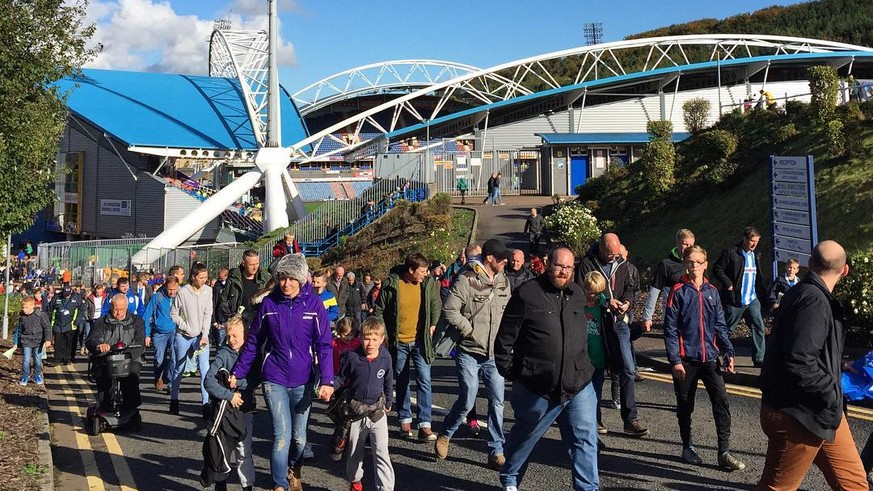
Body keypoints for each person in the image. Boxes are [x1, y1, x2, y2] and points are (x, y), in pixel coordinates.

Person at [756, 240, 868, 490]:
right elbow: (799, 360)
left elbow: (808, 350)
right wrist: (830, 390)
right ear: (846, 270)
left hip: (821, 412)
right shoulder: (813, 301)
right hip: (799, 413)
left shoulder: (803, 293)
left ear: (809, 264)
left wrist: (839, 365)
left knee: (854, 484)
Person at [495, 247, 598, 491]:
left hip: (578, 383)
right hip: (537, 387)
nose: (563, 271)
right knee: (526, 436)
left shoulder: (577, 294)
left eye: (569, 267)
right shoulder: (528, 293)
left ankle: (588, 488)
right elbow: (505, 338)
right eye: (559, 266)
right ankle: (510, 479)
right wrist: (514, 373)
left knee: (585, 439)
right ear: (547, 264)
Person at [229, 253, 334, 491]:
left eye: (291, 279)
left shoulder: (314, 305)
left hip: (303, 379)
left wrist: (327, 380)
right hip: (274, 378)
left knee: (299, 439)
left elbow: (324, 345)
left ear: (301, 279)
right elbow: (254, 341)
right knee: (281, 437)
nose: (286, 284)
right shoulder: (269, 304)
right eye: (282, 278)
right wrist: (239, 372)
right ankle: (279, 484)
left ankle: (293, 468)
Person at [664, 245, 745, 470]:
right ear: (685, 264)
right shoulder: (678, 290)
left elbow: (720, 324)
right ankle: (687, 446)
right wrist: (675, 361)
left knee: (721, 402)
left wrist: (728, 351)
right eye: (690, 262)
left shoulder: (711, 291)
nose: (694, 267)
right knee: (684, 405)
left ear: (706, 264)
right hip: (686, 359)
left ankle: (724, 452)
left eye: (698, 262)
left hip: (709, 357)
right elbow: (670, 329)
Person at [435, 239, 512, 469]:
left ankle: (496, 449)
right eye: (501, 258)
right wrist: (468, 331)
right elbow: (449, 309)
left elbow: (507, 311)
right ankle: (446, 433)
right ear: (489, 258)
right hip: (469, 351)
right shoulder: (466, 279)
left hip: (493, 354)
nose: (505, 261)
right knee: (468, 399)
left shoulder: (503, 281)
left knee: (497, 401)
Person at [576, 233, 648, 437]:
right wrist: (607, 302)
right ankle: (595, 418)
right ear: (600, 248)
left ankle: (630, 418)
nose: (613, 257)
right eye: (610, 253)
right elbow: (583, 292)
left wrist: (627, 302)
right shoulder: (587, 264)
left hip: (618, 323)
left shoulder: (621, 262)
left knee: (628, 368)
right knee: (595, 373)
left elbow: (630, 289)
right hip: (596, 322)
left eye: (616, 254)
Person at [372, 252, 441, 441]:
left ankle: (425, 424)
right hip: (399, 342)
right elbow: (379, 309)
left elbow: (436, 304)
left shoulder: (428, 284)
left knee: (424, 379)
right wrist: (383, 333)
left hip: (421, 341)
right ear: (411, 270)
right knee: (401, 380)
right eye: (422, 271)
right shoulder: (392, 284)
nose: (425, 274)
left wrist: (433, 323)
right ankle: (405, 420)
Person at [334, 317, 395, 491]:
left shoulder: (385, 358)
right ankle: (355, 481)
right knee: (354, 452)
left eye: (375, 339)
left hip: (377, 410)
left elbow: (388, 381)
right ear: (360, 338)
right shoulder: (352, 356)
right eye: (367, 338)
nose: (370, 343)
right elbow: (341, 377)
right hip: (355, 412)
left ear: (382, 339)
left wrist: (389, 400)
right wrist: (330, 387)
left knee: (381, 451)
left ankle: (386, 487)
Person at [201, 316, 255, 491]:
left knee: (244, 451)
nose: (231, 339)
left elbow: (255, 380)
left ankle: (247, 486)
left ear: (245, 334)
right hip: (224, 412)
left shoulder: (251, 354)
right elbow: (208, 381)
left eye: (235, 335)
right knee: (222, 449)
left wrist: (238, 383)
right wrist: (228, 396)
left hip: (244, 411)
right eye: (228, 335)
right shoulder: (223, 354)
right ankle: (220, 483)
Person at [713, 226, 768, 367]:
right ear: (744, 239)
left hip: (752, 298)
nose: (754, 244)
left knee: (758, 327)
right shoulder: (731, 252)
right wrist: (728, 284)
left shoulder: (755, 255)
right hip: (735, 299)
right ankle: (713, 354)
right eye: (752, 241)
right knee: (726, 329)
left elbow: (757, 277)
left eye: (757, 241)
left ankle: (759, 359)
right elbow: (717, 269)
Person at [86, 294, 145, 414]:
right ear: (111, 307)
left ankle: (130, 407)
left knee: (131, 377)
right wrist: (99, 345)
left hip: (129, 358)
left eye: (121, 310)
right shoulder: (102, 321)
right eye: (115, 309)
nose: (118, 313)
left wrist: (127, 355)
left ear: (127, 307)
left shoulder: (137, 321)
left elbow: (140, 342)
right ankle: (105, 405)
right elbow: (91, 339)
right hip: (106, 358)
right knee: (103, 377)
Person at [169, 262, 213, 418]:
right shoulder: (183, 292)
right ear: (193, 277)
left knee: (204, 368)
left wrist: (205, 335)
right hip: (183, 336)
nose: (204, 280)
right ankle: (174, 398)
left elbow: (208, 315)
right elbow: (173, 314)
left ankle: (206, 403)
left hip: (201, 337)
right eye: (201, 278)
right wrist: (186, 327)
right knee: (179, 367)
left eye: (206, 277)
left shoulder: (208, 291)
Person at [642, 229, 696, 331]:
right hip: (672, 316)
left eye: (691, 245)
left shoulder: (697, 263)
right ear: (678, 243)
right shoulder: (666, 264)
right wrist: (647, 317)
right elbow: (654, 291)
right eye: (685, 244)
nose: (688, 248)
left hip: (693, 314)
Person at [581, 272, 608, 435]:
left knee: (596, 392)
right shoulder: (578, 304)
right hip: (583, 358)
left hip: (599, 358)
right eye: (590, 291)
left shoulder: (605, 306)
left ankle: (596, 419)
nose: (592, 295)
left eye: (596, 293)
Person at [217, 249, 272, 330]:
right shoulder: (233, 278)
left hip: (259, 321)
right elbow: (223, 299)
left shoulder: (265, 278)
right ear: (244, 263)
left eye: (257, 264)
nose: (255, 267)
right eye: (251, 265)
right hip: (238, 322)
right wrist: (231, 316)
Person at [143, 275, 180, 391]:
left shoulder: (180, 297)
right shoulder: (157, 297)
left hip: (175, 331)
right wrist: (147, 334)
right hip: (159, 332)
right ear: (165, 286)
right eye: (169, 289)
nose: (172, 292)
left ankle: (170, 382)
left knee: (174, 358)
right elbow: (147, 315)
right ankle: (158, 376)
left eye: (174, 290)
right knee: (159, 359)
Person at [17, 296, 51, 386]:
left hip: (38, 341)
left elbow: (47, 327)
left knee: (37, 359)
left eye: (26, 307)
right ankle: (25, 376)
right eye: (23, 307)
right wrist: (18, 343)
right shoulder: (22, 316)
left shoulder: (40, 315)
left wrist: (48, 339)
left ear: (33, 306)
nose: (24, 309)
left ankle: (37, 375)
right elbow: (20, 329)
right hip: (26, 341)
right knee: (26, 360)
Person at [49, 282, 86, 365]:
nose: (66, 295)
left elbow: (82, 310)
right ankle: (57, 359)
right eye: (65, 293)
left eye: (68, 294)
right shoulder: (56, 297)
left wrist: (77, 321)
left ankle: (67, 359)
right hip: (58, 324)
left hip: (71, 324)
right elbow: (49, 309)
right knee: (58, 343)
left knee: (69, 343)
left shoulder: (77, 298)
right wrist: (48, 322)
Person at [82, 283, 106, 356]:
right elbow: (85, 309)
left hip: (101, 319)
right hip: (91, 319)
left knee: (100, 335)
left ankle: (97, 349)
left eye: (100, 292)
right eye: (97, 292)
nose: (98, 294)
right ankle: (86, 348)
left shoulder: (105, 298)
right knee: (88, 334)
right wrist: (87, 318)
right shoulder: (90, 298)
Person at [211, 266, 230, 347]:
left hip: (230, 318)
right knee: (221, 343)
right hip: (221, 319)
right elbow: (214, 303)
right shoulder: (217, 286)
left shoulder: (231, 285)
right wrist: (214, 320)